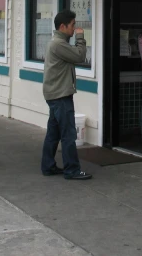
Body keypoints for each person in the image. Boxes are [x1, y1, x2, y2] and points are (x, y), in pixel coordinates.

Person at [41, 9, 92, 180]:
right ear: (62, 26)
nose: (75, 28)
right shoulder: (58, 44)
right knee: (68, 134)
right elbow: (80, 56)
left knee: (53, 134)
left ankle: (48, 166)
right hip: (60, 95)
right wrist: (81, 37)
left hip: (54, 94)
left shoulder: (55, 43)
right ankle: (72, 170)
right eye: (72, 25)